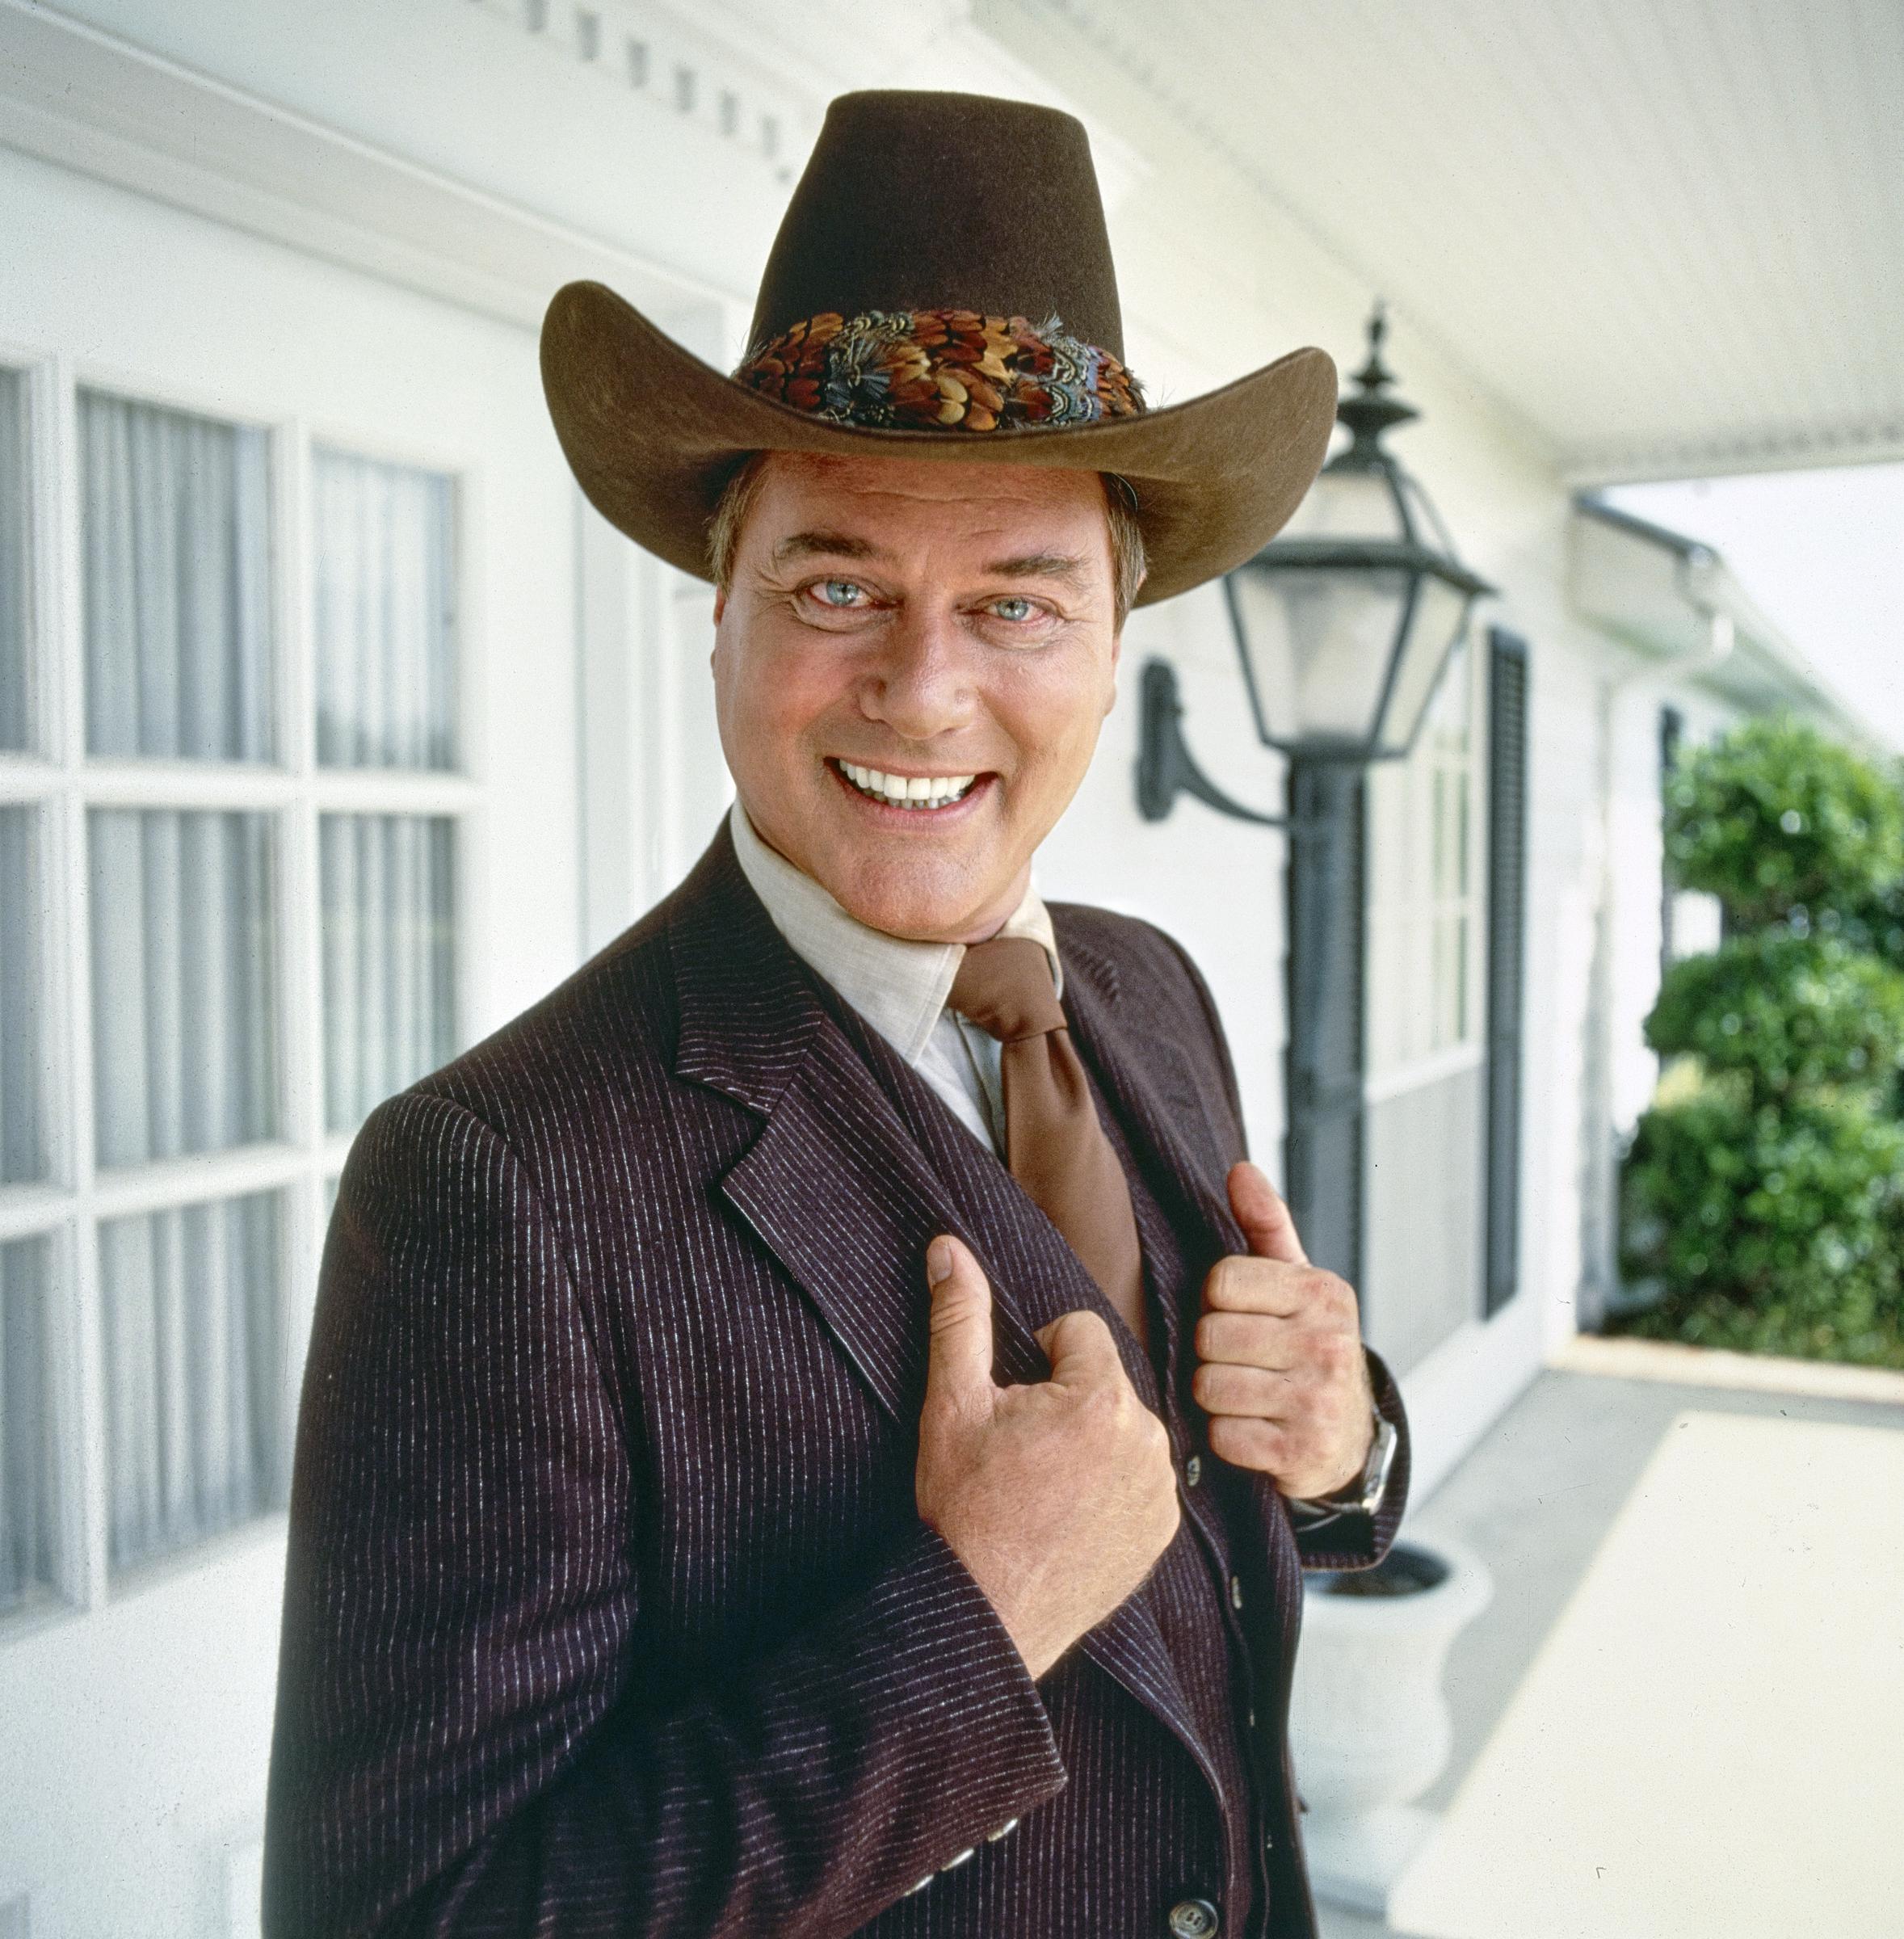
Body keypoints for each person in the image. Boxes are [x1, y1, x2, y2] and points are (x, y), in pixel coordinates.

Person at [262, 88, 1409, 1939]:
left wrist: (1345, 1443)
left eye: (1019, 603)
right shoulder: (493, 1181)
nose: (924, 690)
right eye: (838, 582)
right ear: (719, 609)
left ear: (1116, 641)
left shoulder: (1147, 991)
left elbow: (1232, 1550)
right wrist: (971, 1632)